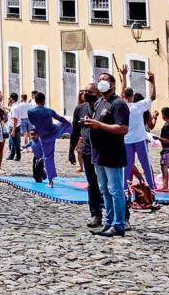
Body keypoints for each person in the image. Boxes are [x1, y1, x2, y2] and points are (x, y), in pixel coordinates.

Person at [83, 72, 129, 237]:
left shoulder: (118, 104)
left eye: (105, 80)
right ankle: (108, 222)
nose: (101, 82)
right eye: (100, 79)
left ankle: (119, 224)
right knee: (104, 190)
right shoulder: (100, 102)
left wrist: (99, 126)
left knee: (115, 190)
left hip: (112, 153)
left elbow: (123, 128)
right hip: (98, 153)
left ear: (113, 84)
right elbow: (98, 123)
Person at [69, 82, 103, 228]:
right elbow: (75, 131)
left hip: (103, 151)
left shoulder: (104, 107)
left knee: (110, 185)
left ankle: (120, 215)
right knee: (92, 184)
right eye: (86, 91)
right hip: (87, 152)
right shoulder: (80, 109)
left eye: (91, 91)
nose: (87, 93)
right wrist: (71, 150)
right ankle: (96, 214)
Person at [119, 65, 157, 189]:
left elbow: (121, 92)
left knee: (127, 166)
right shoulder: (138, 106)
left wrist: (124, 75)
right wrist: (152, 82)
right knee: (145, 164)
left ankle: (125, 189)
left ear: (124, 96)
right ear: (133, 95)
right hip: (139, 139)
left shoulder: (121, 106)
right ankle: (151, 188)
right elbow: (152, 96)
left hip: (126, 141)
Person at [26, 92, 71, 187]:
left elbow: (33, 123)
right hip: (54, 132)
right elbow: (61, 118)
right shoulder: (49, 111)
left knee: (48, 158)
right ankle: (78, 133)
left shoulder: (30, 112)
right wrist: (68, 123)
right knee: (65, 123)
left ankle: (50, 181)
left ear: (35, 100)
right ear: (44, 100)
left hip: (45, 137)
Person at [5, 93, 22, 162]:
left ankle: (17, 156)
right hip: (16, 126)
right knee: (14, 142)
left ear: (12, 98)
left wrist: (13, 130)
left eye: (10, 98)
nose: (9, 99)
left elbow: (15, 119)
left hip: (13, 127)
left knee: (14, 143)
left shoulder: (14, 108)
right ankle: (12, 155)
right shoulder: (17, 106)